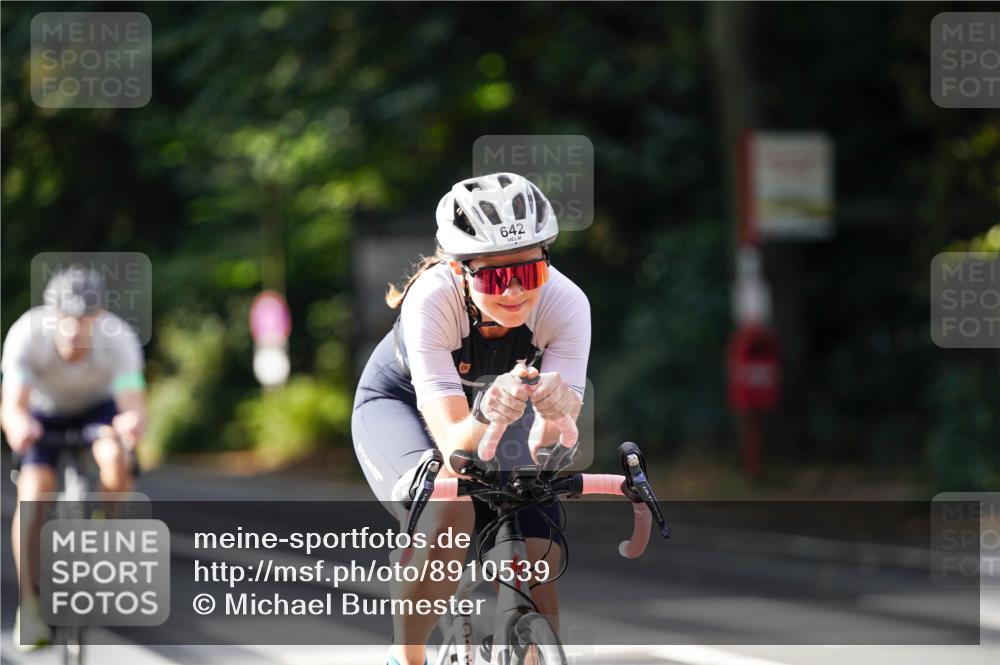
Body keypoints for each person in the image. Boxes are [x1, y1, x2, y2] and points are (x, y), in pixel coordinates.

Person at [352, 172, 590, 665]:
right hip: (401, 408)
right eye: (495, 277)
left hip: (500, 413)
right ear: (460, 271)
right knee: (452, 512)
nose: (514, 293)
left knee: (539, 561)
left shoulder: (566, 302)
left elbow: (549, 447)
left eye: (528, 273)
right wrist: (486, 408)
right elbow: (457, 446)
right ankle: (407, 656)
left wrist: (557, 409)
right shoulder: (431, 301)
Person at [1, 265, 146, 649]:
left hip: (97, 410)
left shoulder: (119, 340)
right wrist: (19, 428)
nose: (73, 329)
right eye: (65, 319)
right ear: (51, 314)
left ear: (98, 318)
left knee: (115, 458)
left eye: (83, 320)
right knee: (33, 491)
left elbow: (132, 403)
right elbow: (12, 405)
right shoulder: (26, 334)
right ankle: (31, 606)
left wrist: (131, 424)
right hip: (43, 414)